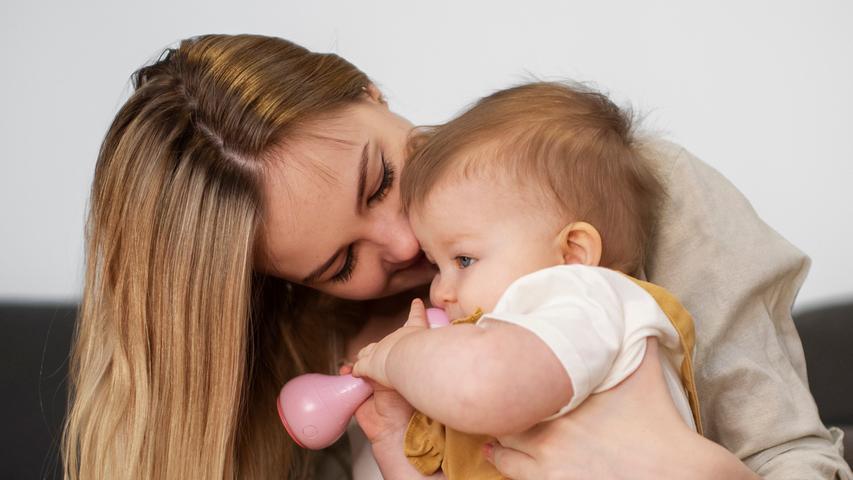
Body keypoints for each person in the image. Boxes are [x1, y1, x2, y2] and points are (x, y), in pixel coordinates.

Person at [61, 33, 850, 479]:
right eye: (340, 265)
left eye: (381, 180)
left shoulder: (618, 189)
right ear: (282, 287)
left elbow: (789, 454)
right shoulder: (317, 365)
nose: (405, 244)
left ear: (370, 93)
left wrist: (679, 468)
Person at [351, 81, 707, 479]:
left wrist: (398, 356)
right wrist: (394, 436)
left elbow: (479, 388)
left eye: (464, 260)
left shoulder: (588, 300)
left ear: (572, 254)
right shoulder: (508, 362)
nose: (440, 292)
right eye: (436, 266)